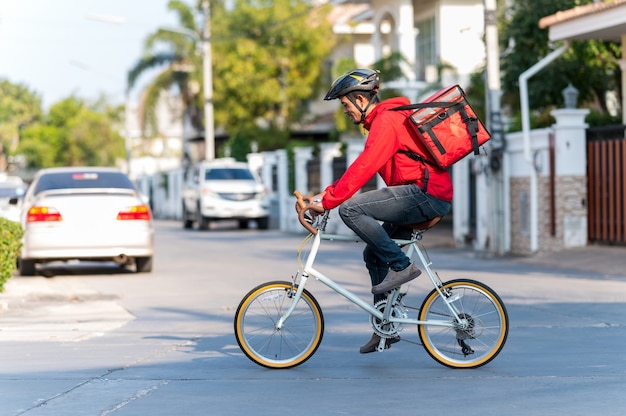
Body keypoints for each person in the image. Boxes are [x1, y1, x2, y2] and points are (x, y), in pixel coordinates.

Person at [309, 68, 453, 354]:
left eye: (345, 104)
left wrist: (330, 202)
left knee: (350, 210)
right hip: (418, 196)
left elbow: (364, 167)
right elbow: (361, 166)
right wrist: (325, 194)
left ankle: (402, 266)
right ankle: (384, 325)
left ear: (361, 99)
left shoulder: (386, 121)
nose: (345, 110)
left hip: (424, 195)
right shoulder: (384, 121)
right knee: (373, 253)